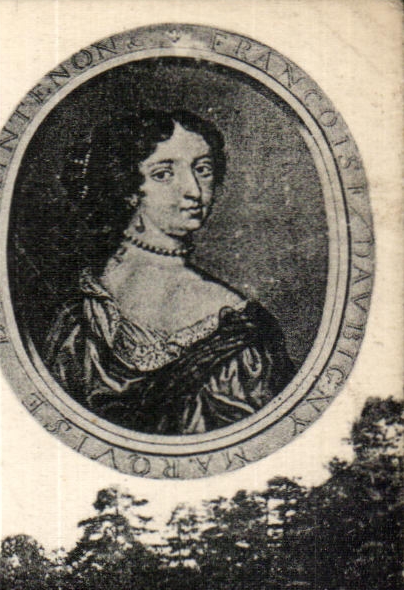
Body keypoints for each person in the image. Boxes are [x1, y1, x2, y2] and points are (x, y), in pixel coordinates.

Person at [34, 111, 289, 435]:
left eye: (203, 170)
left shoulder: (241, 327)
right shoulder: (78, 314)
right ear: (126, 186)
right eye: (164, 174)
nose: (194, 191)